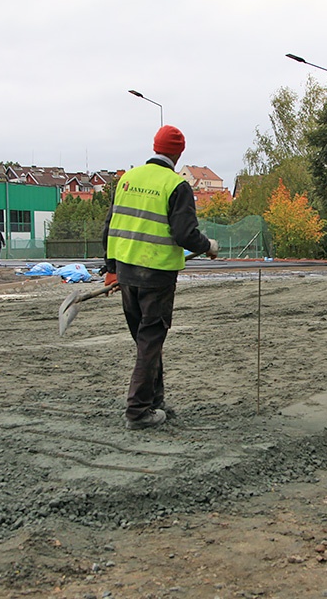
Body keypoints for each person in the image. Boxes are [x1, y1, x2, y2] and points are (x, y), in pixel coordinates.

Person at [102, 125, 219, 430]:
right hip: (157, 277)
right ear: (179, 154)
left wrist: (111, 268)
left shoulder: (127, 179)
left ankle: (155, 400)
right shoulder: (176, 186)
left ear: (154, 147)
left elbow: (110, 227)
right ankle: (138, 411)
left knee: (146, 342)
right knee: (151, 340)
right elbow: (184, 234)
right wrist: (208, 246)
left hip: (127, 273)